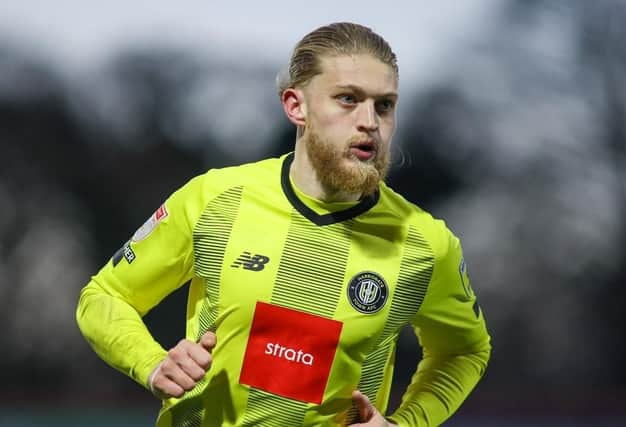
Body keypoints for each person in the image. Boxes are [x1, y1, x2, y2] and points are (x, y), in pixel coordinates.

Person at [76, 22, 491, 427]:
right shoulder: (215, 199)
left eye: (384, 105)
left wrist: (408, 423)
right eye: (348, 99)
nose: (370, 121)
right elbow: (105, 297)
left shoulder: (426, 243)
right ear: (297, 106)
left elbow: (465, 351)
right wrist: (152, 364)